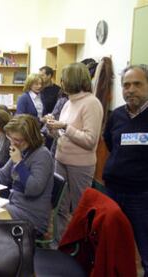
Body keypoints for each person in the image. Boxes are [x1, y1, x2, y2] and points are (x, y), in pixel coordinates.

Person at [46, 62, 103, 244]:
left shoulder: (91, 103)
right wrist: (52, 127)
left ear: (73, 79)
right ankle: (61, 244)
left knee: (81, 208)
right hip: (61, 159)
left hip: (80, 165)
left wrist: (64, 126)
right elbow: (62, 135)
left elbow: (90, 140)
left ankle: (81, 248)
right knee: (60, 207)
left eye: (64, 78)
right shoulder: (68, 103)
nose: (61, 82)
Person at [0, 115, 54, 236]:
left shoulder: (42, 155)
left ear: (30, 138)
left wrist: (19, 163)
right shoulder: (23, 150)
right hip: (15, 206)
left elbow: (33, 189)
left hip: (32, 217)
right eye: (11, 139)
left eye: (17, 140)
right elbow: (3, 175)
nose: (13, 143)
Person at [103, 64, 148, 276]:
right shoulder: (117, 116)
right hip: (112, 191)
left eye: (137, 84)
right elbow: (110, 142)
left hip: (141, 195)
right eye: (126, 85)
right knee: (112, 243)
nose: (130, 89)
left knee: (145, 247)